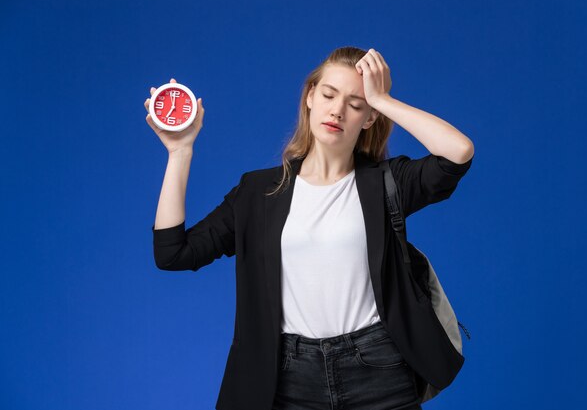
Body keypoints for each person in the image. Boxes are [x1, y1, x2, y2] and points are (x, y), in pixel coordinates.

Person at [146, 46, 474, 410]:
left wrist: (383, 99)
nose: (337, 110)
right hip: (289, 375)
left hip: (378, 367)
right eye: (329, 95)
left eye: (356, 103)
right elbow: (173, 253)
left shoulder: (386, 182)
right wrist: (180, 152)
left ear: (368, 117)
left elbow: (457, 153)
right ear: (309, 98)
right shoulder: (259, 192)